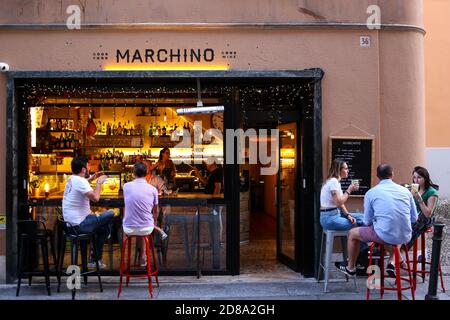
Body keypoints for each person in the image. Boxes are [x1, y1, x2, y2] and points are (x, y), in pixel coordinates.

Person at [336, 164, 418, 277]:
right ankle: (395, 262)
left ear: (377, 176)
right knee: (390, 233)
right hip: (405, 235)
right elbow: (414, 218)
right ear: (392, 174)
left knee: (352, 233)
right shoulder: (406, 191)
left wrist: (378, 220)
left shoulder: (371, 192)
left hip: (385, 235)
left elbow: (367, 221)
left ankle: (350, 267)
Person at [62, 157, 115, 268]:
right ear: (83, 169)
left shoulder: (71, 179)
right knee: (110, 214)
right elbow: (96, 198)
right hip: (80, 225)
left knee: (102, 229)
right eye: (88, 165)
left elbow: (81, 184)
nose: (89, 167)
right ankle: (95, 257)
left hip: (70, 225)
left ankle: (95, 257)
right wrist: (99, 183)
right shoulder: (80, 181)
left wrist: (92, 178)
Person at [401, 166, 439, 266]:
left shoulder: (432, 192)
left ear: (425, 178)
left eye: (419, 177)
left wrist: (419, 198)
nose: (416, 180)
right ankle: (398, 250)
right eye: (414, 177)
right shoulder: (413, 188)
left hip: (425, 220)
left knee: (414, 224)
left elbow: (428, 213)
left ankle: (402, 249)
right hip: (413, 218)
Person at [123, 162, 167, 245]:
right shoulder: (153, 189)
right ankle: (144, 254)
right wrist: (154, 223)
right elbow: (155, 212)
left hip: (128, 228)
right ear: (146, 172)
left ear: (133, 173)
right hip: (146, 228)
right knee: (145, 224)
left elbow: (127, 205)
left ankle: (142, 253)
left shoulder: (126, 186)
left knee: (141, 220)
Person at [320, 159, 364, 231]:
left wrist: (348, 215)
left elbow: (341, 204)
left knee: (364, 218)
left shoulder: (335, 182)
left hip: (334, 214)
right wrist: (349, 190)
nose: (348, 171)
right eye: (346, 168)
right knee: (359, 223)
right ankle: (370, 241)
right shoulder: (333, 181)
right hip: (329, 218)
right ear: (339, 170)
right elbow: (338, 202)